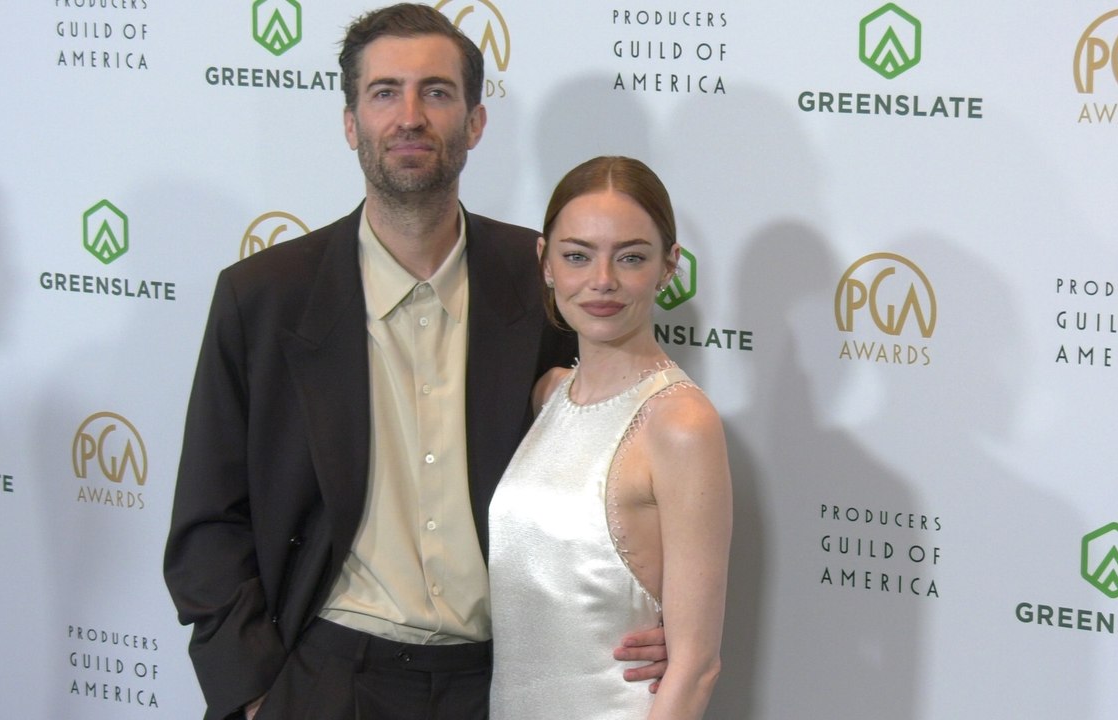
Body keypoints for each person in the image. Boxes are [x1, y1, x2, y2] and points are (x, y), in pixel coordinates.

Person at [163, 6, 666, 720]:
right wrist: (253, 693)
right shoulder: (264, 298)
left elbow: (617, 471)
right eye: (384, 93)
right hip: (324, 681)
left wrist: (654, 612)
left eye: (435, 92)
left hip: (509, 682)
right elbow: (208, 521)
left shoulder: (549, 282)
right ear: (350, 123)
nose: (409, 116)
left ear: (475, 122)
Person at [488, 156, 733, 720]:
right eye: (577, 256)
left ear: (669, 267)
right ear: (546, 263)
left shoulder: (681, 423)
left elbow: (696, 667)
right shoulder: (548, 395)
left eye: (631, 257)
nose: (602, 280)